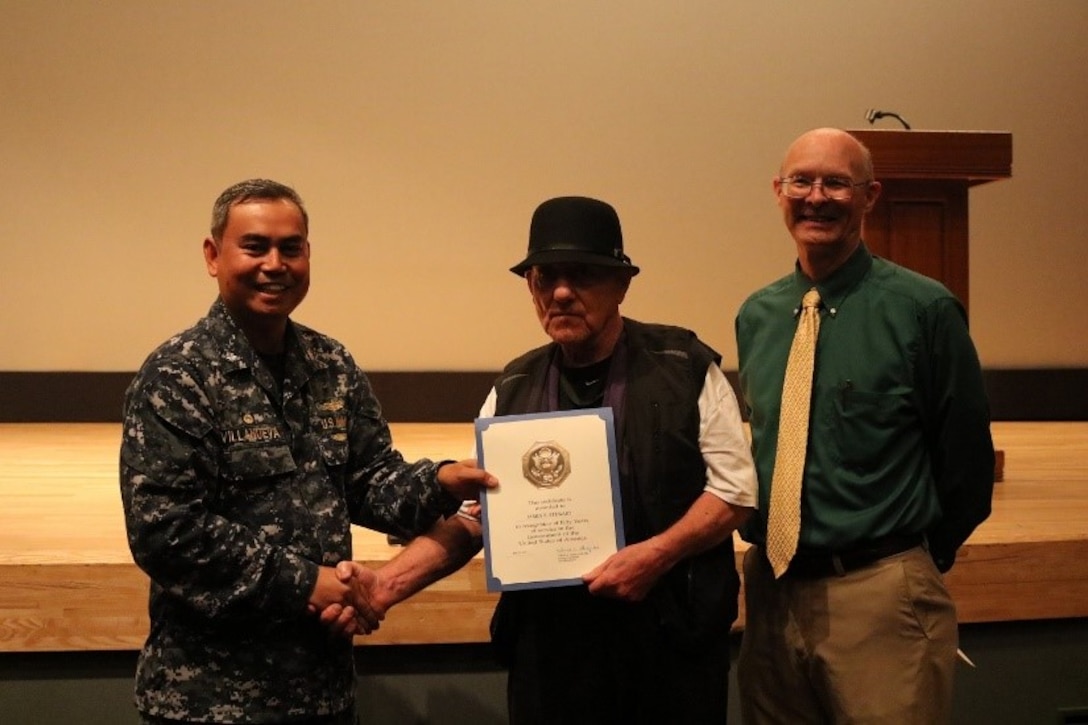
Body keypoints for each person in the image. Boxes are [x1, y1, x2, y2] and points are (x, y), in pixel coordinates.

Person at [331, 195, 758, 724]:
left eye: (581, 275)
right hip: (552, 658)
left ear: (622, 284)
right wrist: (388, 585)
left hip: (669, 650)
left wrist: (657, 555)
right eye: (544, 277)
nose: (560, 292)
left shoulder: (685, 367)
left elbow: (734, 493)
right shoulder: (512, 386)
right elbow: (476, 519)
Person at [119, 178, 495, 724]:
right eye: (255, 246)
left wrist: (440, 482)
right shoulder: (177, 375)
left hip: (321, 696)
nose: (275, 263)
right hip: (208, 702)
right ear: (212, 255)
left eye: (290, 248)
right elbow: (166, 532)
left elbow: (369, 479)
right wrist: (308, 583)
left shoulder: (329, 364)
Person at [734, 128, 995, 724]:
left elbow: (966, 464)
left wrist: (909, 566)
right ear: (779, 191)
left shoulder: (923, 311)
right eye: (801, 180)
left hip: (878, 595)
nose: (816, 197)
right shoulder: (759, 314)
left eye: (836, 183)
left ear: (870, 196)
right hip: (772, 595)